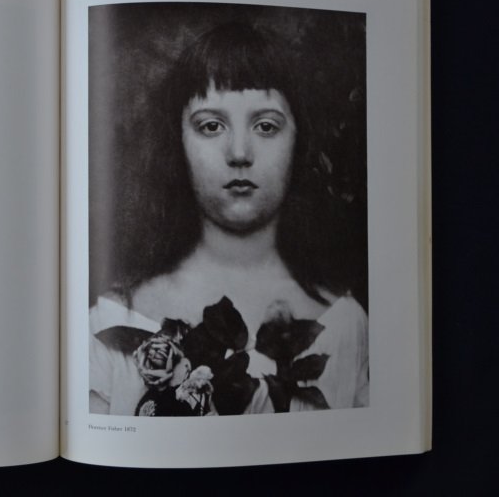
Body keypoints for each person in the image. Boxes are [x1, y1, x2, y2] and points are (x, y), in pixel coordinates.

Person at [89, 21, 369, 416]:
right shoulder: (109, 321)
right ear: (178, 142)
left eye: (266, 126)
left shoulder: (346, 326)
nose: (239, 153)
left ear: (299, 140)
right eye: (211, 126)